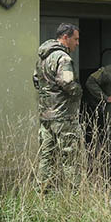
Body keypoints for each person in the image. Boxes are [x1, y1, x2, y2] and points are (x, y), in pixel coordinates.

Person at [32, 23, 82, 192]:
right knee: (70, 158)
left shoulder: (43, 58)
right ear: (65, 38)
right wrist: (79, 92)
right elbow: (67, 82)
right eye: (75, 39)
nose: (77, 43)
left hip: (46, 116)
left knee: (46, 158)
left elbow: (36, 81)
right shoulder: (63, 58)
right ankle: (75, 196)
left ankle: (42, 195)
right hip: (63, 118)